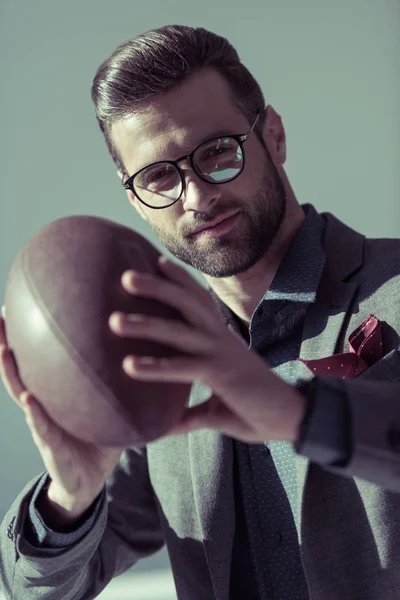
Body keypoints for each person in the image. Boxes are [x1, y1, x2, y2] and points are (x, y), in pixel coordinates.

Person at [1, 23, 400, 600]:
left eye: (216, 151)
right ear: (135, 199)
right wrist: (70, 498)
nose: (196, 195)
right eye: (159, 175)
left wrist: (295, 412)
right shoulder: (157, 374)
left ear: (275, 136)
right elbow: (36, 591)